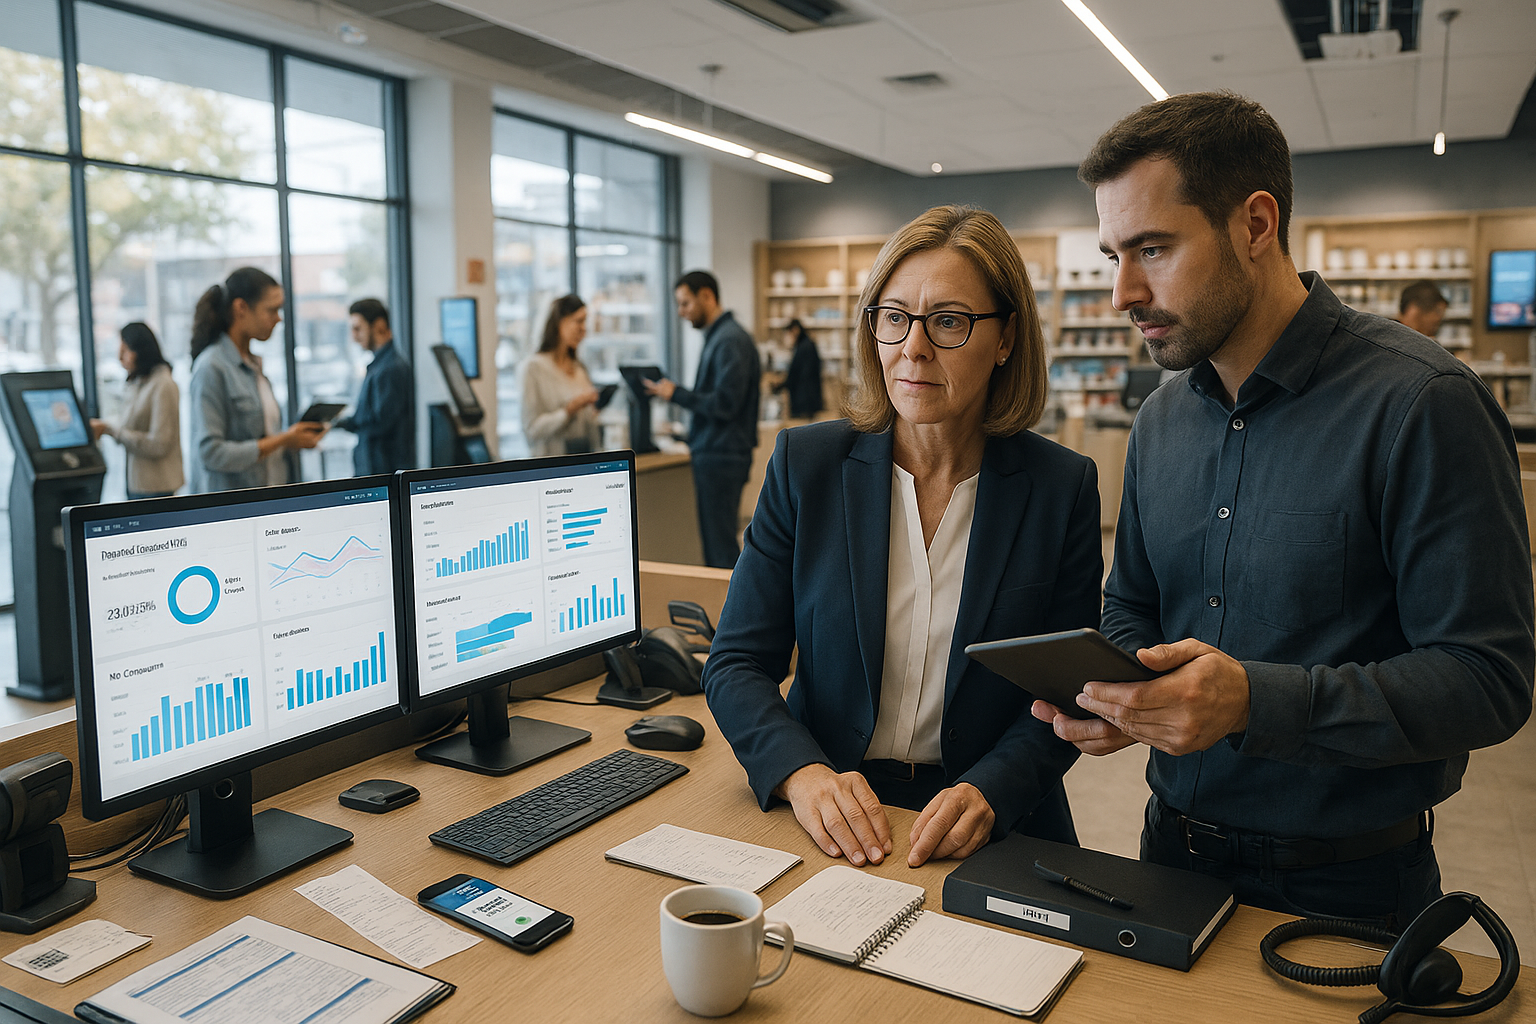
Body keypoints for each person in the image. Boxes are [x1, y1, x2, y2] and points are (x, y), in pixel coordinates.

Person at [1035, 91, 1534, 926]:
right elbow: (1132, 605)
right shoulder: (1160, 421)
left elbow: (1488, 679)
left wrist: (1251, 701)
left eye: (1153, 248)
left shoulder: (1421, 404)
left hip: (1348, 887)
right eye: (1114, 255)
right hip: (1170, 855)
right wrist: (1126, 693)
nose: (1124, 292)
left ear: (1256, 225)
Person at [703, 206, 1102, 870]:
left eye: (948, 321)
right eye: (895, 317)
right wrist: (801, 774)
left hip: (988, 823)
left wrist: (993, 789)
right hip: (832, 809)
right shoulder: (807, 467)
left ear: (1006, 338)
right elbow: (737, 663)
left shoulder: (1060, 487)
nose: (913, 348)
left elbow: (1067, 692)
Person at [645, 271, 761, 569]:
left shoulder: (729, 340)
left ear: (707, 296)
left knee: (719, 549)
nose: (681, 312)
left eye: (685, 303)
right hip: (718, 453)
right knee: (717, 544)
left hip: (721, 456)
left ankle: (728, 600)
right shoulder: (721, 337)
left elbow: (726, 403)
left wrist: (677, 394)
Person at [187, 267, 325, 492]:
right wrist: (283, 440)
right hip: (236, 506)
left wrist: (293, 440)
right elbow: (211, 453)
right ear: (241, 308)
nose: (278, 318)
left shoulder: (254, 365)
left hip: (270, 497)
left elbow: (264, 439)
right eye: (272, 310)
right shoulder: (212, 367)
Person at [90, 322, 184, 499]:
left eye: (125, 350)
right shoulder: (137, 382)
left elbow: (159, 444)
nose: (120, 357)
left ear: (141, 351)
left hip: (157, 487)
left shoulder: (163, 385)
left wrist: (112, 431)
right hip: (137, 483)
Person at [334, 298, 414, 475]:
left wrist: (347, 422)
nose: (354, 337)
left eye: (358, 329)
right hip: (375, 469)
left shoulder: (390, 369)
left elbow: (380, 423)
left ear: (379, 326)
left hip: (382, 471)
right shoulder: (380, 366)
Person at [521, 294, 603, 458]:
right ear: (560, 322)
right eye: (578, 321)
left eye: (585, 322)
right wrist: (568, 411)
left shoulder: (579, 368)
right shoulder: (533, 368)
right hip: (552, 464)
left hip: (583, 459)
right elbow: (532, 430)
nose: (583, 329)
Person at [774, 319, 823, 420]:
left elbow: (800, 374)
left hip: (804, 399)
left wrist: (784, 384)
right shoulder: (805, 345)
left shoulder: (805, 347)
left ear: (795, 330)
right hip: (806, 398)